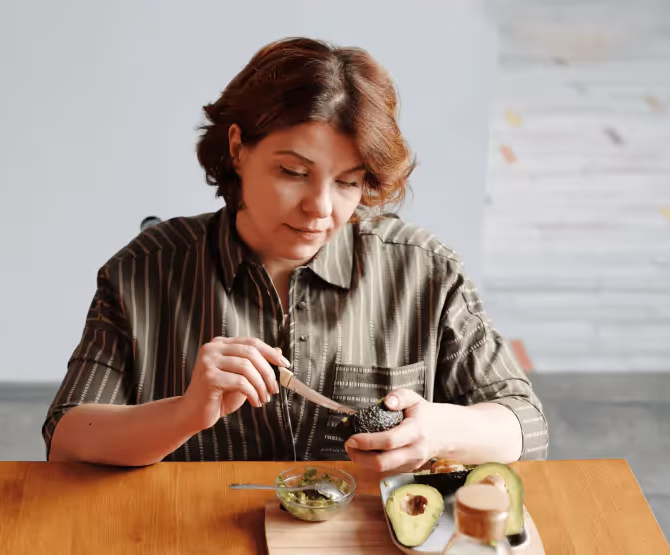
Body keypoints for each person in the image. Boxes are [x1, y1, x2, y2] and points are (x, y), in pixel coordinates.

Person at [43, 37, 548, 471]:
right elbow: (67, 439)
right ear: (238, 149)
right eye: (293, 172)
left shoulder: (423, 270)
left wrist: (438, 431)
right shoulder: (145, 269)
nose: (320, 209)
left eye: (348, 182)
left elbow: (525, 425)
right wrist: (185, 413)